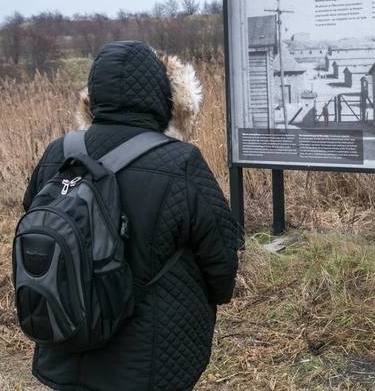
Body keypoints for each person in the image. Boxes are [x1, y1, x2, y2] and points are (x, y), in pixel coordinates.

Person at [22, 41, 243, 390]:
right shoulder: (180, 162)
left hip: (68, 336)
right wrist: (216, 294)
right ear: (162, 94)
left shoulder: (59, 153)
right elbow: (220, 255)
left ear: (93, 93)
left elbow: (31, 216)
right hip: (151, 356)